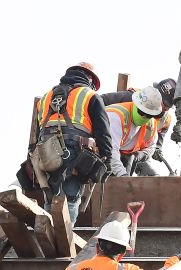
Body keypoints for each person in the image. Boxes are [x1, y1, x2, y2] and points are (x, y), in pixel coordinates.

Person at [34, 62, 112, 225]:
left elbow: (38, 130)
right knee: (70, 196)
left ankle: (48, 236)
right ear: (90, 79)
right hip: (74, 151)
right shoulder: (89, 95)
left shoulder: (46, 97)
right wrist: (107, 160)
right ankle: (63, 241)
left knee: (51, 196)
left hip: (46, 151)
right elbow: (102, 131)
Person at [101, 79, 177, 176]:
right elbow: (100, 101)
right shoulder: (134, 98)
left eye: (168, 107)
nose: (165, 109)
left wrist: (155, 149)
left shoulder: (165, 118)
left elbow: (157, 138)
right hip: (111, 142)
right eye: (164, 104)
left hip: (132, 151)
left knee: (146, 177)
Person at [66, 220, 181, 270]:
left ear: (98, 247)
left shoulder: (72, 269)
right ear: (122, 254)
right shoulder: (127, 269)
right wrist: (176, 258)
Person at [106, 86, 162, 177]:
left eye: (148, 115)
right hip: (101, 152)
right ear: (136, 104)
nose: (144, 117)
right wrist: (123, 176)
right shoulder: (116, 116)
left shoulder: (151, 126)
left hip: (126, 156)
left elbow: (151, 146)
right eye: (142, 112)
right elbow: (111, 151)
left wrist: (142, 155)